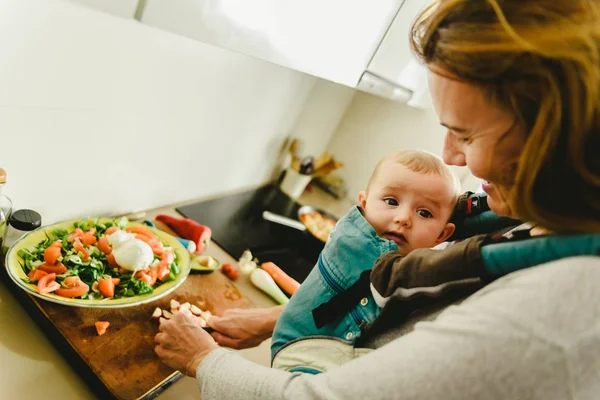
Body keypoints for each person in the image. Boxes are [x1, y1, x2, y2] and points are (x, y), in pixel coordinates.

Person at [154, 0, 600, 398]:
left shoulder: (563, 307)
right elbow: (411, 327)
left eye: (465, 134)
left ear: (555, 139)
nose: (450, 154)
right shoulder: (536, 223)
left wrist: (202, 360)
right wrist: (279, 318)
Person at [270, 149, 463, 370]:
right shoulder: (350, 241)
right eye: (391, 201)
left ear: (442, 235)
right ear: (364, 204)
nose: (403, 218)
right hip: (301, 351)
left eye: (425, 213)